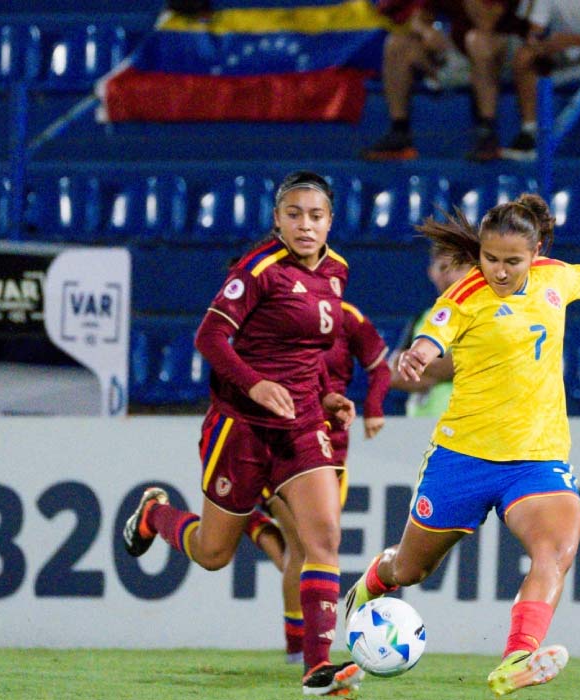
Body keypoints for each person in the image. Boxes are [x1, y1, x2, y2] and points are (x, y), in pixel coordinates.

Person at [343, 194, 580, 695]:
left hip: (536, 459)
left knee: (557, 548)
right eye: (491, 259)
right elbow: (433, 338)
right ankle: (376, 577)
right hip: (463, 457)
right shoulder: (463, 297)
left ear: (536, 254)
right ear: (479, 253)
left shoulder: (555, 278)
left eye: (513, 261)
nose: (500, 271)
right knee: (412, 568)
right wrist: (417, 356)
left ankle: (517, 659)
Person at [122, 170, 365, 697]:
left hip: (301, 423)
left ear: (330, 222)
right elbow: (209, 336)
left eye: (316, 215)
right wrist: (255, 386)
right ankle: (154, 514)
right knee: (213, 554)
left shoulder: (338, 271)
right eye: (294, 214)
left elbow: (312, 351)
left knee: (323, 536)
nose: (305, 224)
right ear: (277, 218)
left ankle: (317, 668)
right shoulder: (257, 269)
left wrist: (325, 396)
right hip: (241, 425)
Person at [249, 298, 393, 666]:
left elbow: (380, 369)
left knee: (316, 545)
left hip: (333, 449)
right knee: (304, 547)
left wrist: (374, 407)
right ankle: (300, 651)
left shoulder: (348, 318)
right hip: (282, 441)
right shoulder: (272, 317)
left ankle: (252, 526)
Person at [363, 0, 530, 162]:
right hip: (460, 54)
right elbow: (417, 19)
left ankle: (487, 132)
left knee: (477, 40)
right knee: (397, 44)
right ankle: (399, 132)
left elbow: (486, 23)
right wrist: (427, 31)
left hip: (506, 54)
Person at [502, 0, 580, 160]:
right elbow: (536, 31)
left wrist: (569, 41)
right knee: (524, 56)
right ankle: (528, 132)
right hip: (566, 52)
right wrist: (538, 44)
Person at [389, 247, 471, 416]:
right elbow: (392, 374)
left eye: (459, 267)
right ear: (431, 272)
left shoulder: (487, 316)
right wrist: (447, 372)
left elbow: (469, 362)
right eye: (442, 267)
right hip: (420, 427)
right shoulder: (422, 318)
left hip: (465, 428)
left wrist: (419, 368)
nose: (450, 276)